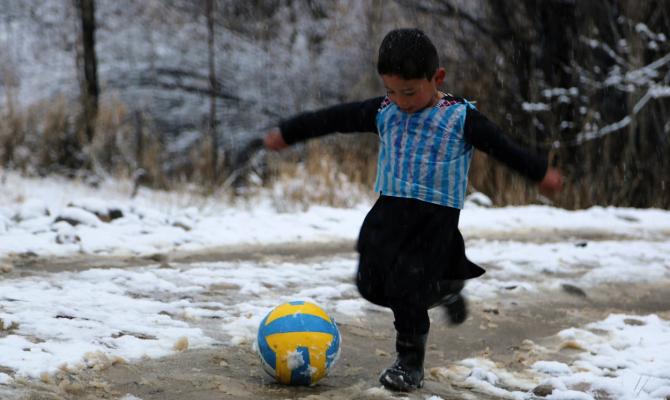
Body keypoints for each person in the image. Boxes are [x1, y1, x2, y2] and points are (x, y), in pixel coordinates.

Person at [263, 28, 564, 392]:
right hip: (389, 211)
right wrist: (289, 132)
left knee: (405, 285)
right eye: (391, 90)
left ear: (436, 78)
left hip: (433, 220)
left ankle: (410, 363)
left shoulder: (459, 117)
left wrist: (538, 172)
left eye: (409, 91)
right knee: (371, 285)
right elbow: (332, 119)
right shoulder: (384, 111)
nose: (400, 101)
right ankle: (446, 286)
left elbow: (503, 147)